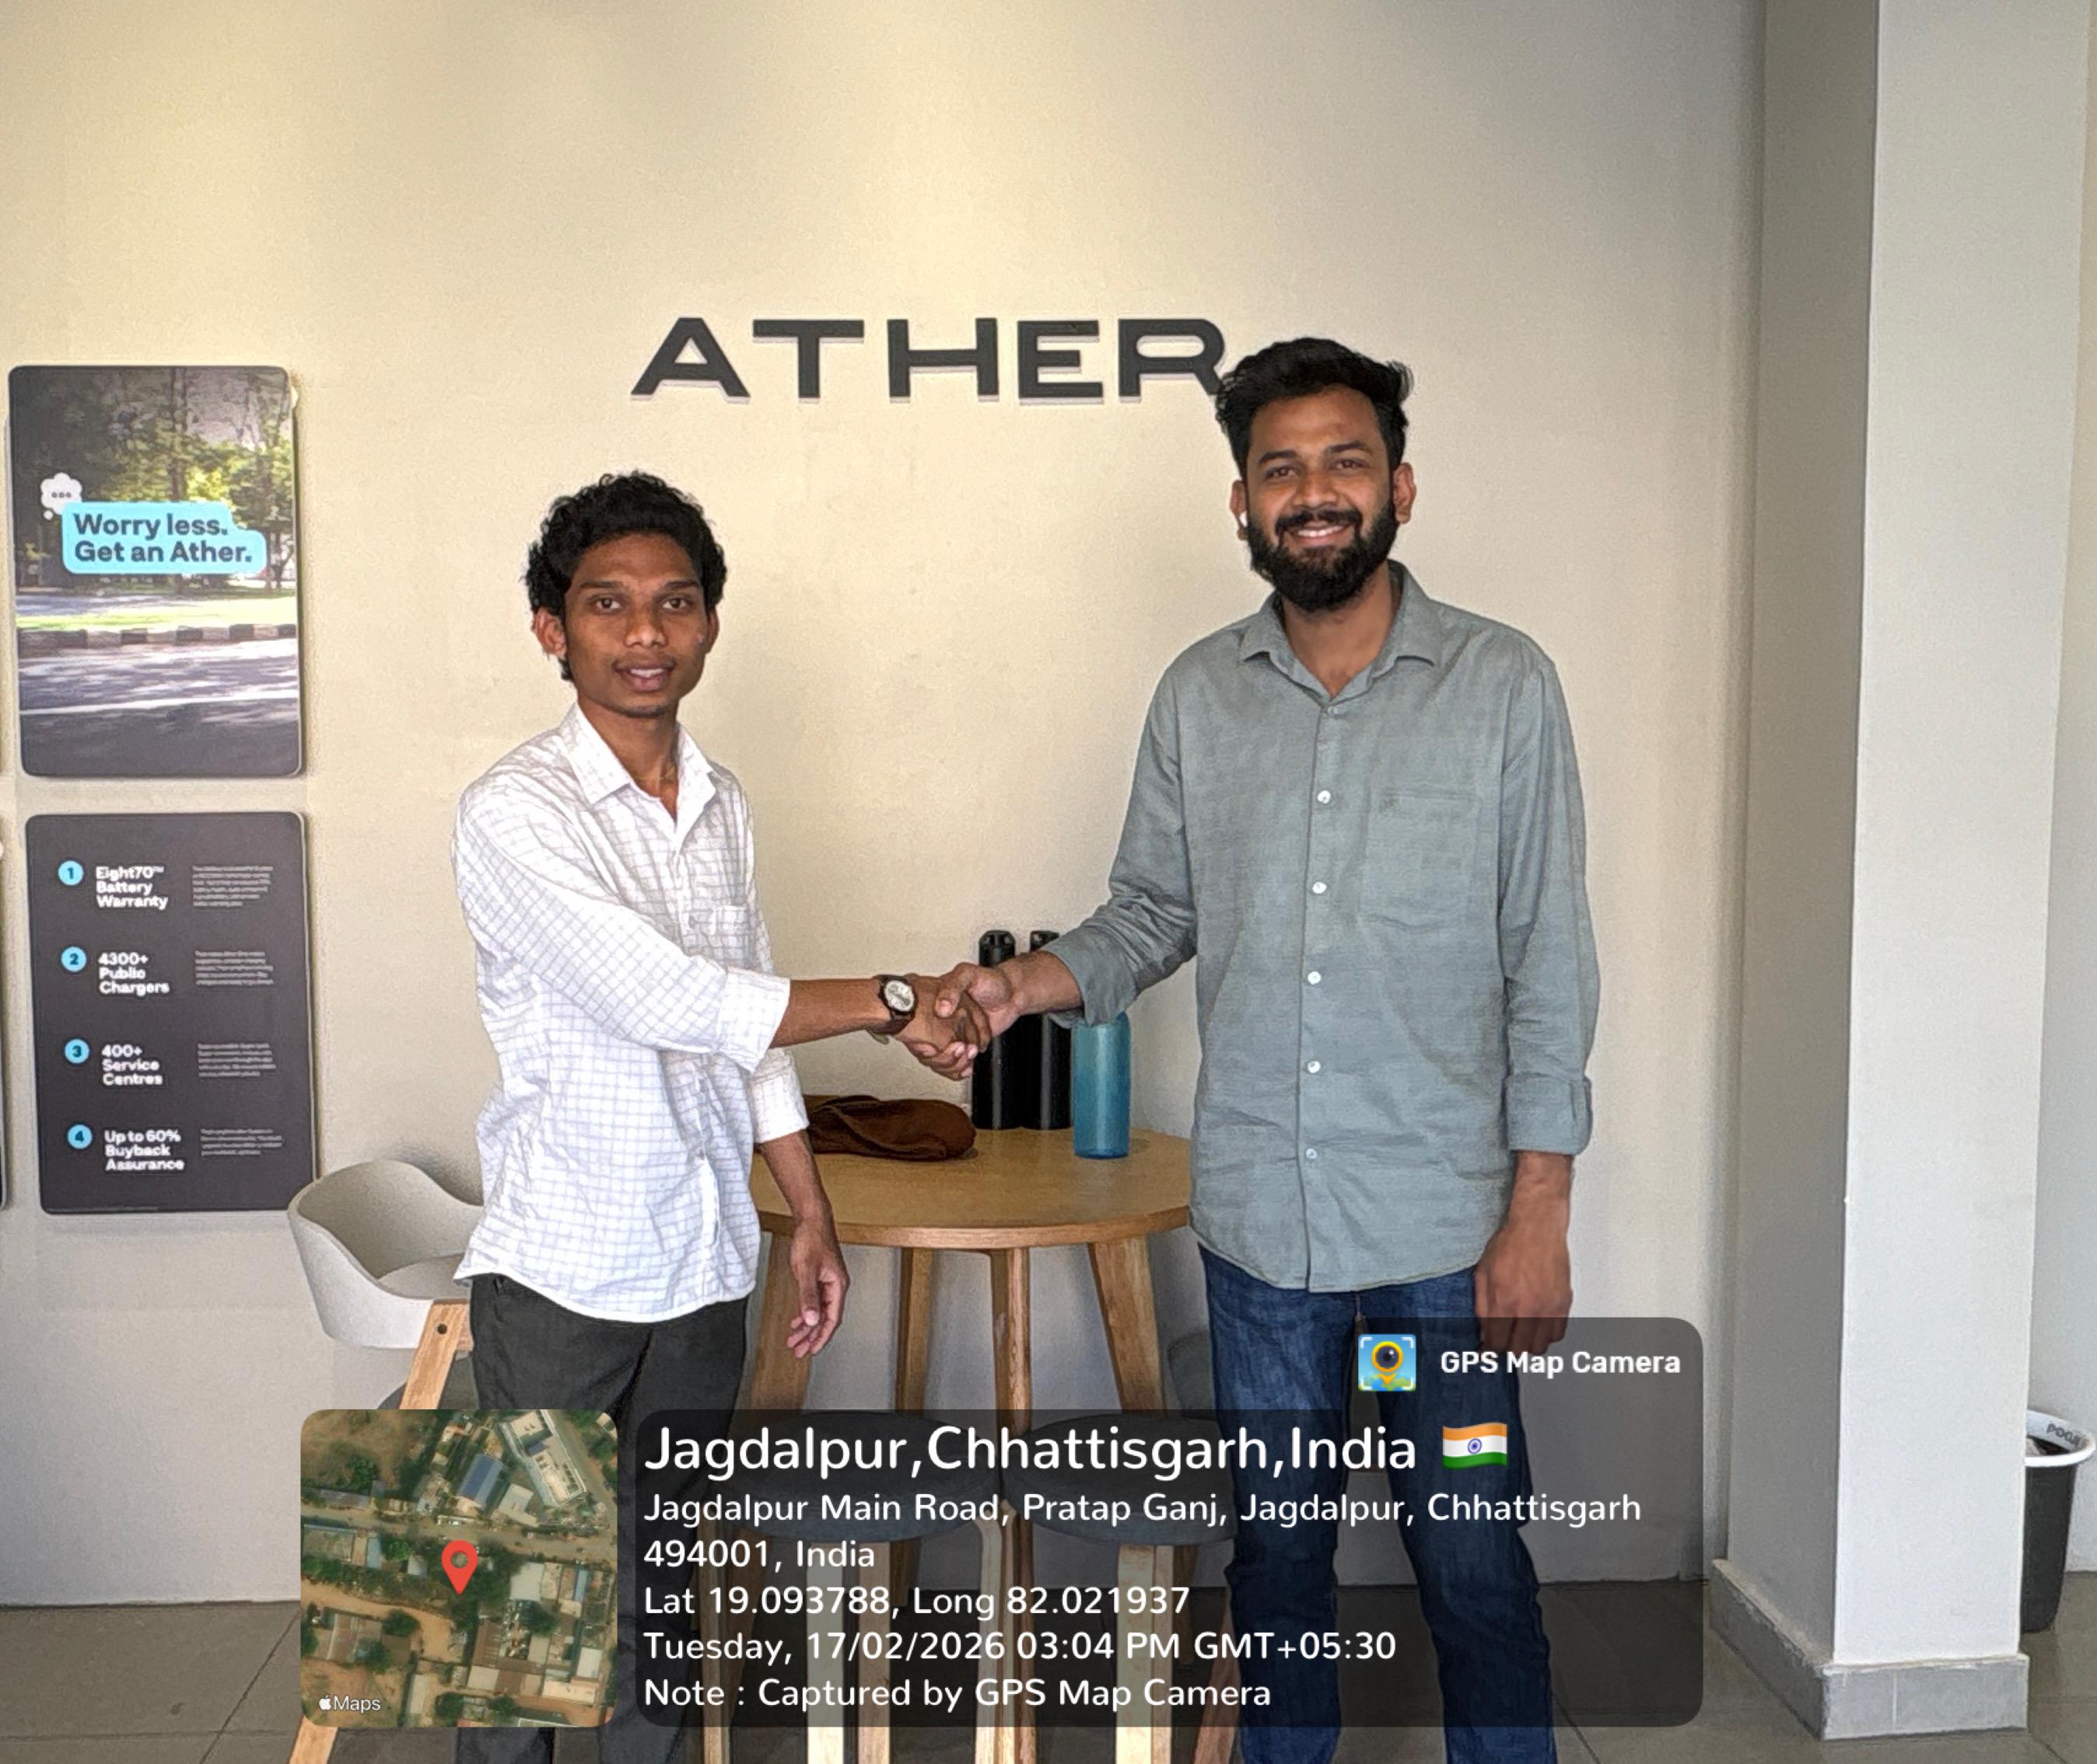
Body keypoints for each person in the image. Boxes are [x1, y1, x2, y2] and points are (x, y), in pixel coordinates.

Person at [921, 339, 1598, 1764]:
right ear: (1241, 503)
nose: (1314, 492)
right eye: (1280, 469)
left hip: (1443, 1237)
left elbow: (1548, 952)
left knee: (1474, 1563)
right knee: (1278, 1568)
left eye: (1345, 461)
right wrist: (1015, 988)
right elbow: (1152, 912)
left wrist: (1539, 1208)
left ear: (1400, 486)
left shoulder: (1503, 685)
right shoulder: (1198, 695)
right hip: (1260, 1242)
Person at [450, 471, 986, 1764]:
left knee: (667, 1581)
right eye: (608, 604)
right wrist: (895, 1000)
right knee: (527, 1609)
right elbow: (670, 999)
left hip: (701, 1260)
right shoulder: (514, 811)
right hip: (567, 1266)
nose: (646, 632)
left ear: (708, 623)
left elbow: (744, 1029)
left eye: (675, 603)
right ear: (551, 628)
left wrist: (809, 1210)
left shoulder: (721, 800)